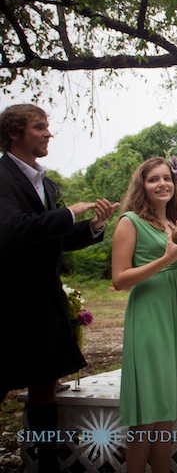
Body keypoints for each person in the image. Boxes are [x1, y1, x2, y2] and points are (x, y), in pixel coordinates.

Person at [0, 104, 117, 473]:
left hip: (44, 303)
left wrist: (93, 226)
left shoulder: (46, 183)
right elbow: (13, 229)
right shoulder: (1, 176)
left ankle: (47, 464)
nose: (48, 133)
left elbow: (58, 239)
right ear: (14, 134)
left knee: (45, 387)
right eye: (39, 127)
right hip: (6, 304)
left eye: (47, 127)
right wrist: (70, 212)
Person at [111, 156, 177, 472]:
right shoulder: (130, 222)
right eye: (154, 179)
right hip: (149, 320)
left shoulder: (176, 226)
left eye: (167, 178)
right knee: (146, 416)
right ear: (143, 185)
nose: (162, 184)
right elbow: (120, 279)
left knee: (166, 412)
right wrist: (168, 258)